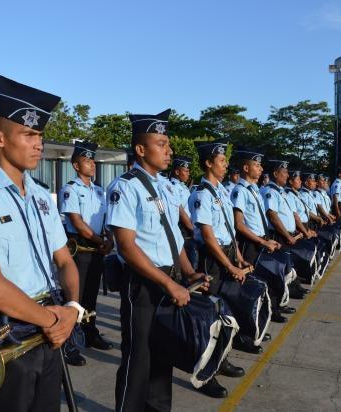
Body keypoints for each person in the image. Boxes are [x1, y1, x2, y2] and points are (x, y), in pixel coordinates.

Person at [0, 74, 82, 411]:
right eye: (29, 134)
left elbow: (64, 260)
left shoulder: (40, 195)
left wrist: (72, 309)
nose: (39, 144)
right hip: (7, 334)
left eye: (41, 136)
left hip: (50, 331)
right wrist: (53, 320)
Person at [108, 109, 207, 412]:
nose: (169, 150)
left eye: (168, 144)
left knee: (163, 353)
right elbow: (126, 247)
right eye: (162, 143)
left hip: (171, 279)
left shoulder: (164, 185)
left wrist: (188, 274)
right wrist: (168, 284)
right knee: (138, 358)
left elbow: (171, 236)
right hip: (144, 283)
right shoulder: (124, 187)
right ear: (141, 149)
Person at [188, 139, 251, 398]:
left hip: (226, 255)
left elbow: (228, 230)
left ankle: (221, 359)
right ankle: (205, 374)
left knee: (226, 313)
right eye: (222, 161)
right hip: (211, 260)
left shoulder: (222, 191)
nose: (226, 165)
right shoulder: (202, 194)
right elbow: (209, 235)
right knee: (210, 317)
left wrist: (238, 257)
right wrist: (228, 265)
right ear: (208, 163)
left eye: (225, 161)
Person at [58, 140, 114, 367]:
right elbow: (77, 223)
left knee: (91, 296)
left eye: (93, 161)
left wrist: (109, 239)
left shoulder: (99, 191)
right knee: (74, 298)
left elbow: (107, 219)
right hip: (80, 250)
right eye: (86, 161)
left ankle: (90, 333)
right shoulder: (70, 190)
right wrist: (101, 241)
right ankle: (68, 342)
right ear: (75, 165)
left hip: (98, 250)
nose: (92, 165)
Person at [231, 149, 293, 324]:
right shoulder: (240, 191)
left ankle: (269, 312)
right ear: (245, 167)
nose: (260, 168)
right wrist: (262, 241)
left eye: (260, 165)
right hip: (249, 244)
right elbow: (239, 224)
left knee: (266, 279)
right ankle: (250, 322)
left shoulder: (255, 190)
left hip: (261, 240)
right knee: (251, 285)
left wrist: (266, 239)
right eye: (256, 165)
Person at [261, 160, 309, 299]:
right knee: (279, 270)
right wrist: (287, 236)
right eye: (284, 173)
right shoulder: (270, 191)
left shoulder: (280, 192)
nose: (287, 176)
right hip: (278, 235)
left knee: (287, 267)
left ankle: (287, 294)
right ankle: (278, 302)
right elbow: (272, 215)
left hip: (285, 235)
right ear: (275, 174)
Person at [169, 155, 198, 268]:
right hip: (184, 230)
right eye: (185, 171)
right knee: (188, 264)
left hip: (190, 229)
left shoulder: (183, 187)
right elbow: (181, 212)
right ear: (177, 171)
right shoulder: (173, 187)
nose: (188, 173)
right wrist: (192, 229)